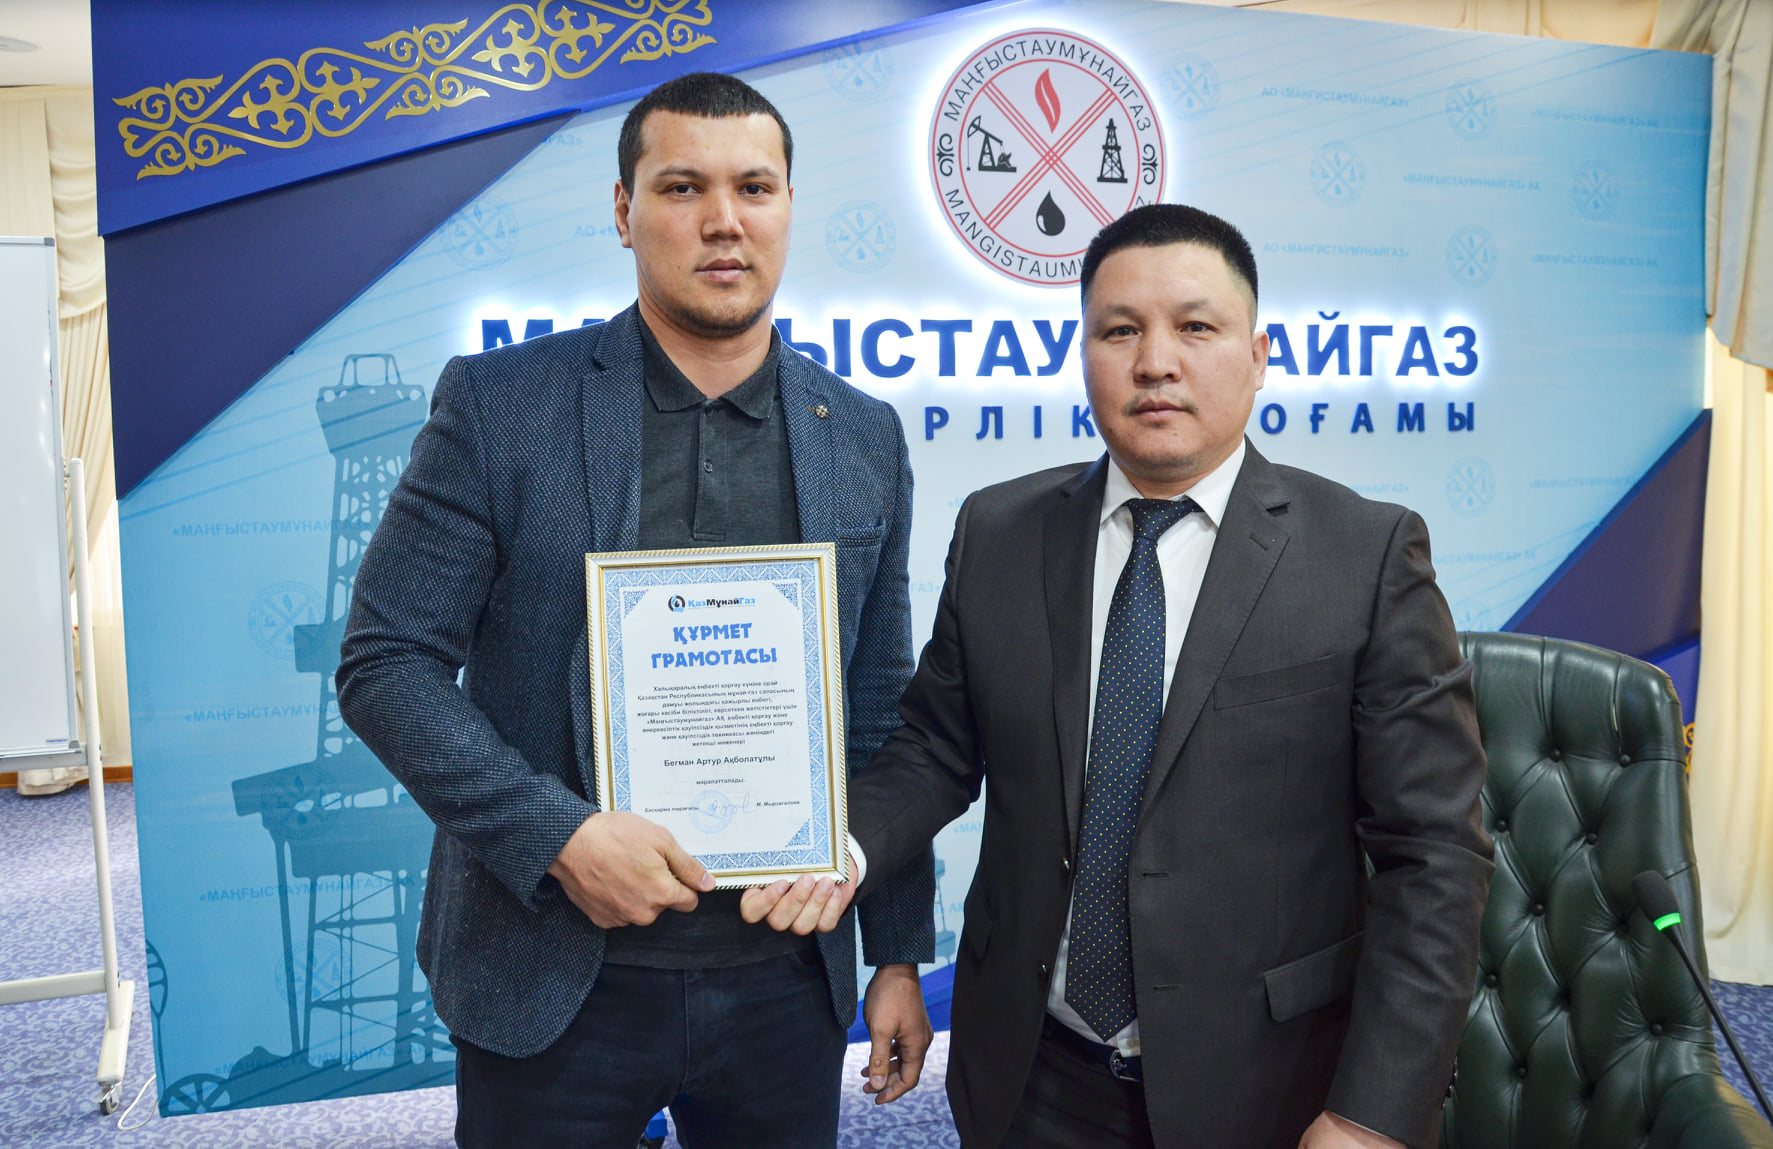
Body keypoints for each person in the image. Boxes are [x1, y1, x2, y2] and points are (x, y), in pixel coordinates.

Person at [770, 204, 1494, 1148]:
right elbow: (934, 750)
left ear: (1258, 354)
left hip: (1269, 1084)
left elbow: (1432, 853)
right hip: (1030, 1070)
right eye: (1120, 331)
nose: (1155, 362)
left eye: (1195, 327)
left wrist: (1371, 1112)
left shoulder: (1364, 553)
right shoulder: (998, 530)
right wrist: (842, 849)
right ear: (1083, 355)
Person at [337, 72, 935, 1149]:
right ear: (624, 211)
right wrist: (558, 835)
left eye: (755, 186)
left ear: (787, 206)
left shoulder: (860, 433)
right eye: (682, 187)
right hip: (551, 970)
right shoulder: (502, 404)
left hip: (783, 979)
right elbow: (387, 662)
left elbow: (879, 707)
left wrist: (896, 952)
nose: (724, 219)